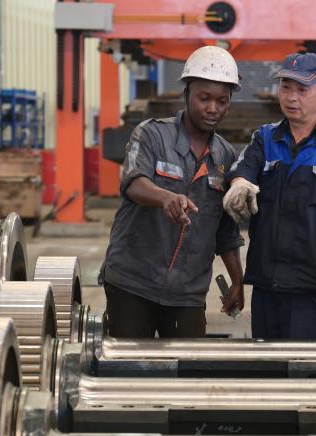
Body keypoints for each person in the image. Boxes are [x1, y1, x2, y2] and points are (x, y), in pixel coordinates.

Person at [222, 52, 316, 339]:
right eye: (285, 87)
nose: (291, 97)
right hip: (267, 286)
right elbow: (244, 167)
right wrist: (240, 183)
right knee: (269, 362)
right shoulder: (265, 137)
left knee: (315, 365)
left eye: (302, 89)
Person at [101, 46, 245, 339]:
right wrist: (165, 197)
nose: (213, 108)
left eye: (222, 101)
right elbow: (133, 182)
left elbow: (226, 230)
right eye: (204, 98)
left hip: (187, 291)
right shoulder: (152, 135)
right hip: (133, 283)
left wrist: (237, 280)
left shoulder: (225, 156)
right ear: (187, 93)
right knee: (129, 365)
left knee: (187, 365)